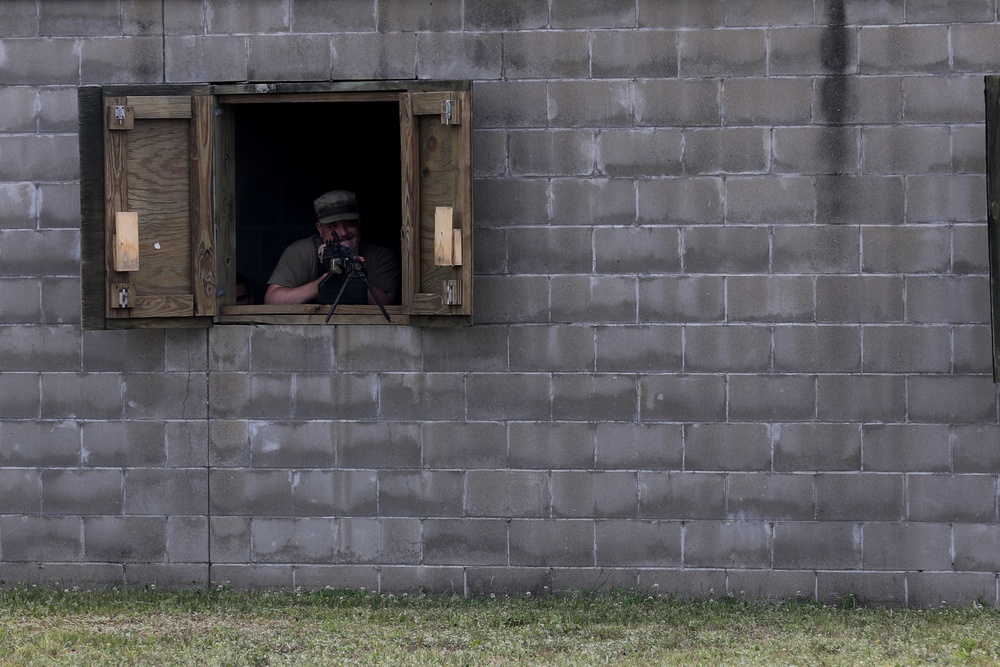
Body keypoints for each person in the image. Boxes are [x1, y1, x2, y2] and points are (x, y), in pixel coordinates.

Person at [264, 190, 400, 306]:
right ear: (320, 228)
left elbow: (387, 302)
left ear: (359, 224)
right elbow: (272, 300)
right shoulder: (300, 253)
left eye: (349, 223)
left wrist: (350, 273)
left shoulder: (380, 256)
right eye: (333, 226)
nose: (343, 232)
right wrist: (323, 283)